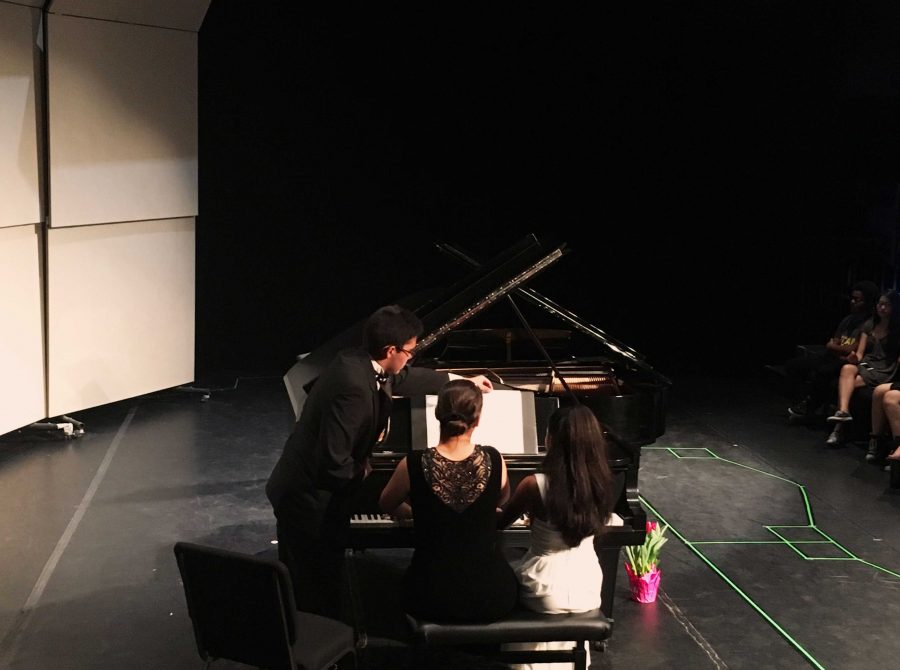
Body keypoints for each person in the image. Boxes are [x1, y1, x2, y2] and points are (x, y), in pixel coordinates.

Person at [265, 304, 493, 618]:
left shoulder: (359, 360)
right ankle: (316, 651)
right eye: (410, 352)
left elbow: (403, 379)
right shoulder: (354, 390)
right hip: (308, 499)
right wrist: (377, 490)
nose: (411, 357)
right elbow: (334, 463)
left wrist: (460, 381)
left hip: (312, 488)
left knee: (320, 581)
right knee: (313, 588)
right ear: (390, 349)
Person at [379, 379, 518, 623]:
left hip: (428, 595)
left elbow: (386, 504)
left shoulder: (412, 462)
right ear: (477, 420)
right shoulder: (495, 459)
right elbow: (502, 499)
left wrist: (416, 512)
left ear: (437, 415)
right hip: (491, 595)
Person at [497, 404, 615, 670]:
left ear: (551, 439)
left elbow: (501, 522)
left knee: (501, 580)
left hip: (544, 585)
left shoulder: (535, 484)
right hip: (587, 583)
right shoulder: (602, 481)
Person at [785, 280, 879, 420]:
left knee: (824, 372)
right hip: (833, 356)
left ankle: (810, 406)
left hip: (850, 362)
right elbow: (834, 342)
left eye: (857, 300)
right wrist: (835, 347)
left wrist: (834, 347)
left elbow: (852, 349)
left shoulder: (869, 324)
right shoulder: (848, 319)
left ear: (868, 302)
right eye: (852, 299)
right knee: (794, 365)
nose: (852, 302)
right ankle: (802, 401)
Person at [826, 290, 900, 446]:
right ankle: (843, 412)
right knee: (847, 368)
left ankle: (838, 429)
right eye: (880, 303)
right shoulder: (870, 324)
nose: (882, 308)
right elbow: (860, 354)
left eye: (886, 304)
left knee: (847, 386)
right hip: (867, 363)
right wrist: (854, 358)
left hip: (883, 369)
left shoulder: (897, 330)